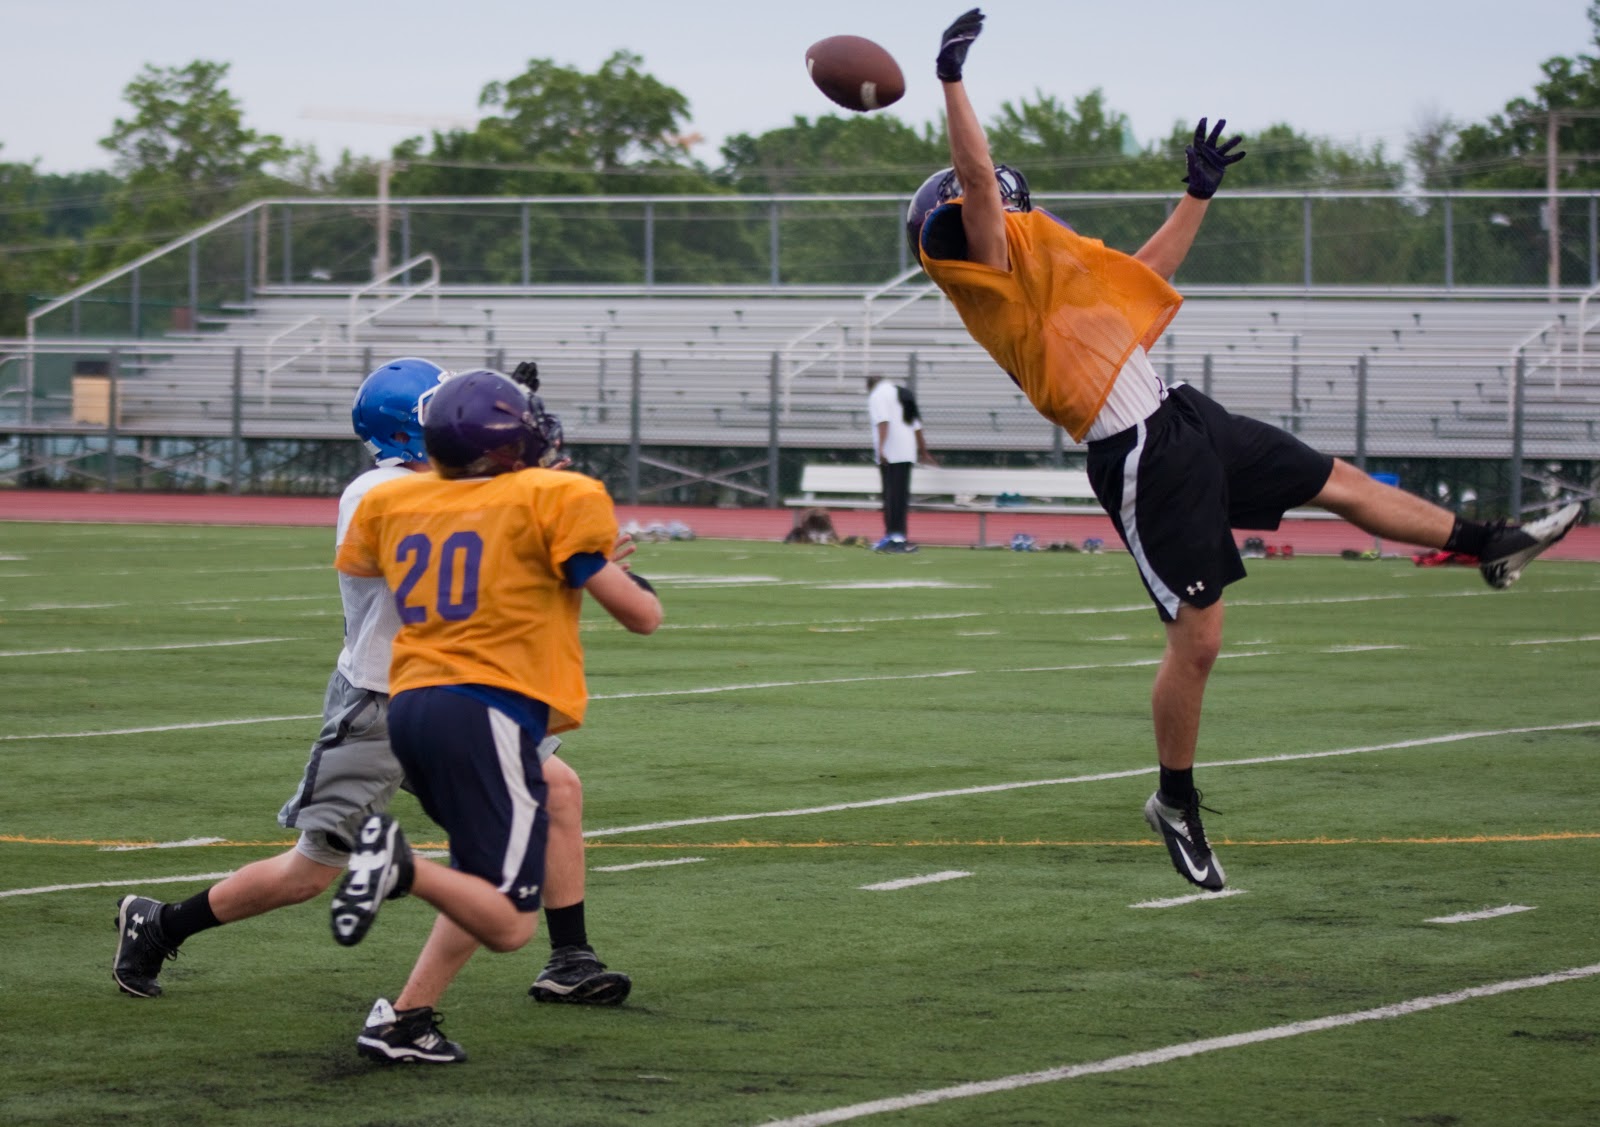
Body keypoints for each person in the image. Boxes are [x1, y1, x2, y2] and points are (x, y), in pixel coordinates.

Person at [911, 8, 1585, 892]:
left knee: (1338, 480)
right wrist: (953, 80)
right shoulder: (988, 272)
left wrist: (1195, 196)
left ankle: (1489, 544)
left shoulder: (1047, 280)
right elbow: (974, 178)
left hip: (1183, 418)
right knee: (1200, 640)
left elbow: (1145, 277)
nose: (992, 205)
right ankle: (1174, 800)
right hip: (1138, 453)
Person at [112, 358, 633, 1058]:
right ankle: (161, 925)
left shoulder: (452, 485)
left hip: (460, 693)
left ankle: (566, 960)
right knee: (311, 873)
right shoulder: (378, 491)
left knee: (555, 794)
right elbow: (471, 543)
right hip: (382, 703)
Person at [325, 367, 662, 1063]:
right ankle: (401, 867)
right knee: (509, 921)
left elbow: (463, 541)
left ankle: (405, 1021)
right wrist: (602, 562)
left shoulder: (397, 499)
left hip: (413, 704)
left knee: (485, 875)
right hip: (485, 710)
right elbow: (642, 616)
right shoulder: (553, 497)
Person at [866, 373, 936, 553]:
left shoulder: (877, 395)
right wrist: (923, 451)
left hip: (890, 453)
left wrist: (881, 448)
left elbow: (883, 421)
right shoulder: (904, 393)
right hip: (907, 452)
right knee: (899, 498)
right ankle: (895, 536)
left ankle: (895, 538)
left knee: (891, 499)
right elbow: (917, 426)